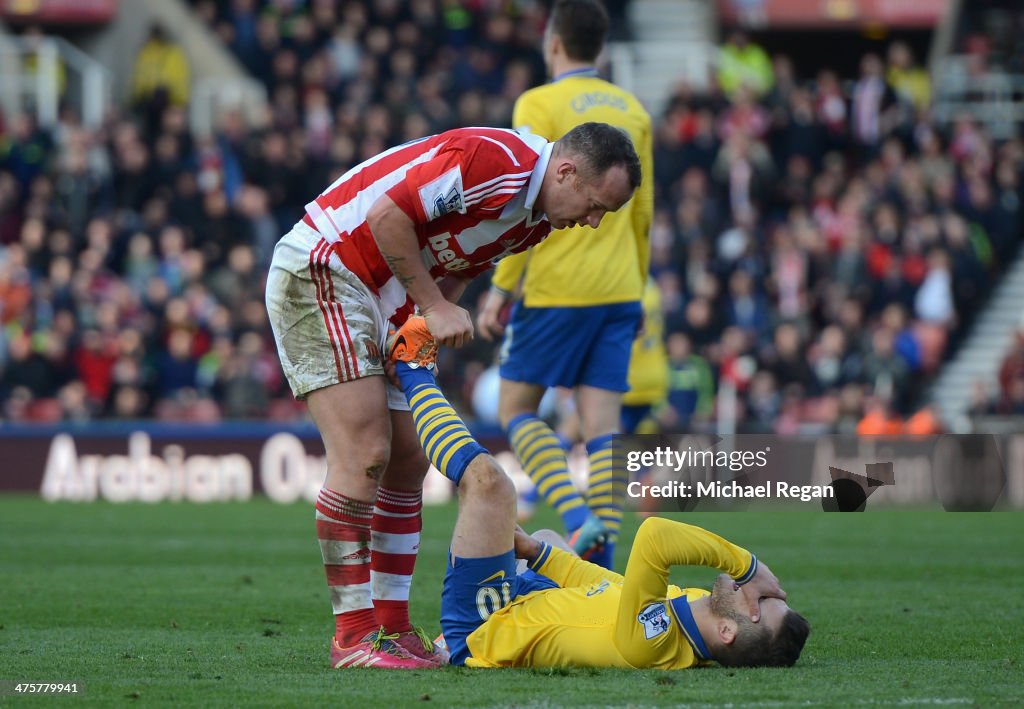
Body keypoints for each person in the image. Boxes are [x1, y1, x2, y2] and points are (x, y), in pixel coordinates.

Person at [265, 122, 641, 669]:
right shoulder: (495, 163)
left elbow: (461, 263)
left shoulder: (536, 219)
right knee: (366, 452)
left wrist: (424, 313)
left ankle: (392, 630)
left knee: (409, 459)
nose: (592, 221)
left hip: (384, 295)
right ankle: (353, 637)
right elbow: (387, 217)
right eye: (594, 205)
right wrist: (432, 308)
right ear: (565, 171)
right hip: (327, 266)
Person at [387, 317, 810, 669]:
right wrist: (537, 553)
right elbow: (610, 588)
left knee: (490, 485)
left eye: (760, 605)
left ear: (728, 632)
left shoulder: (653, 643)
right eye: (768, 593)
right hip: (536, 597)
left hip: (487, 626)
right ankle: (540, 551)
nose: (758, 590)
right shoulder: (697, 608)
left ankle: (411, 368)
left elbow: (655, 538)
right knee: (551, 540)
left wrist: (747, 564)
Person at [476, 0, 654, 570]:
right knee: (603, 426)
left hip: (557, 285)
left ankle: (579, 521)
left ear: (553, 42)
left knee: (515, 409)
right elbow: (645, 213)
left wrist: (501, 288)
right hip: (622, 286)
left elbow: (522, 196)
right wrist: (640, 287)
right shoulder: (634, 110)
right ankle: (606, 556)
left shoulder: (538, 102)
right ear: (600, 48)